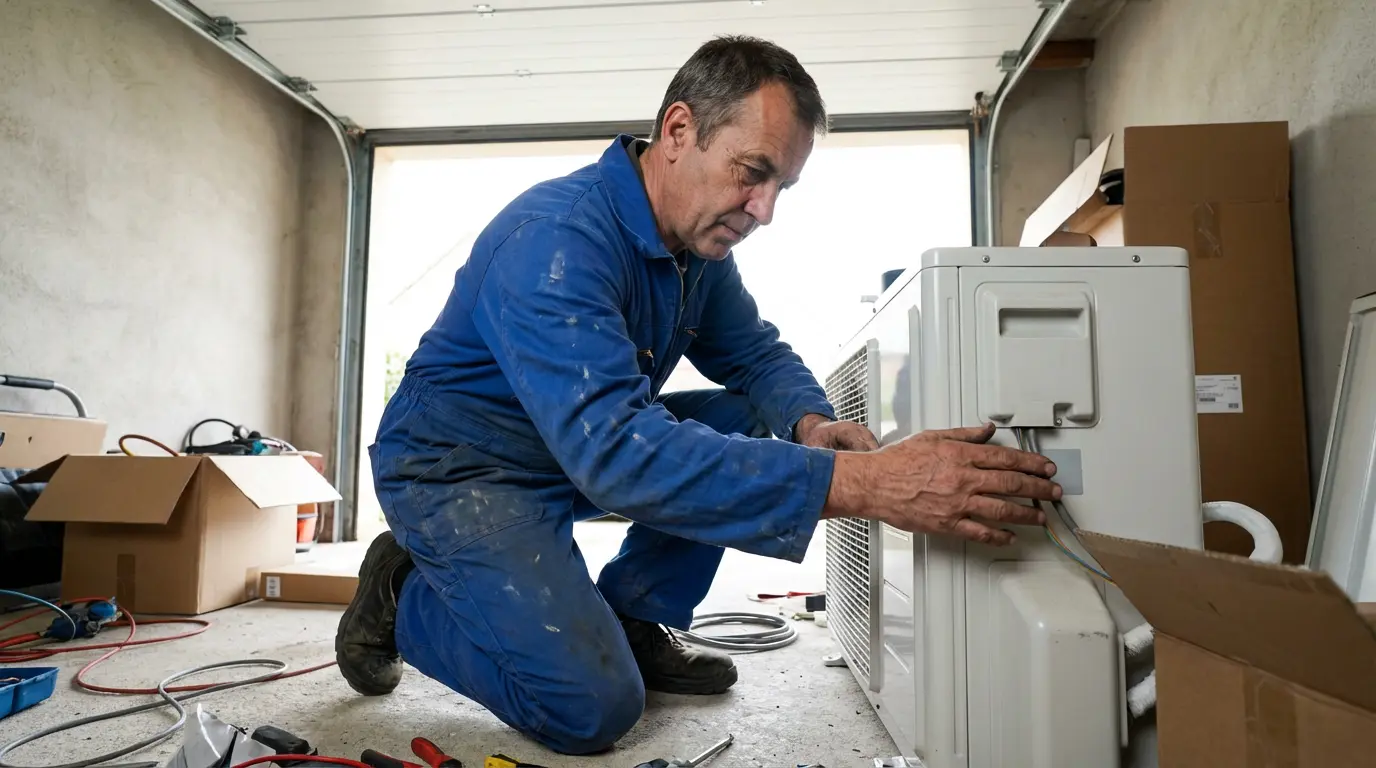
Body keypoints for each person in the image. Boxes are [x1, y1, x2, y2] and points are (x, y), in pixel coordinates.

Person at [336, 35, 1060, 756]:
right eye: (754, 173)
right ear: (679, 131)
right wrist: (864, 483)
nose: (765, 208)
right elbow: (620, 456)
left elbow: (752, 353)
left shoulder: (692, 250)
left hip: (563, 451)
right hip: (460, 470)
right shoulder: (556, 241)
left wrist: (810, 422)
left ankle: (635, 617)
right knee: (590, 709)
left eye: (782, 187)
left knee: (749, 418)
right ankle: (402, 594)